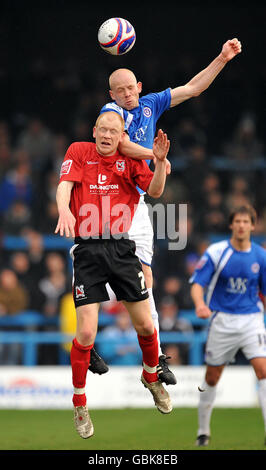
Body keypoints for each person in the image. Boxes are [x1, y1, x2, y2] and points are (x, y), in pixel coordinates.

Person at [92, 38, 242, 385]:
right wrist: (154, 155)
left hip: (137, 204)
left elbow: (192, 88)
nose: (127, 94)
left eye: (131, 88)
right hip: (106, 200)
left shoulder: (150, 104)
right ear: (111, 94)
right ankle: (89, 342)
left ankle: (155, 357)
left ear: (139, 87)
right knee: (97, 274)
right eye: (120, 90)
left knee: (147, 281)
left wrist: (221, 58)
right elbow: (119, 144)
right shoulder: (110, 114)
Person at [55, 111, 172, 439]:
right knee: (87, 334)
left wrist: (159, 162)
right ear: (94, 130)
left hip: (122, 250)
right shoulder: (79, 151)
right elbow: (65, 186)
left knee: (146, 325)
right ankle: (80, 402)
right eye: (102, 129)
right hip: (88, 251)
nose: (107, 135)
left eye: (113, 131)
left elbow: (158, 192)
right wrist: (64, 209)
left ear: (122, 136)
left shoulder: (131, 161)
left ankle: (151, 376)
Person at [189, 205, 266, 446]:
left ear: (253, 226)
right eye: (238, 221)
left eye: (246, 222)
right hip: (221, 320)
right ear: (231, 225)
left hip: (252, 319)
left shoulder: (261, 256)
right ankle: (203, 431)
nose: (242, 225)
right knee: (212, 377)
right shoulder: (217, 252)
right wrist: (200, 305)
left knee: (263, 371)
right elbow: (197, 283)